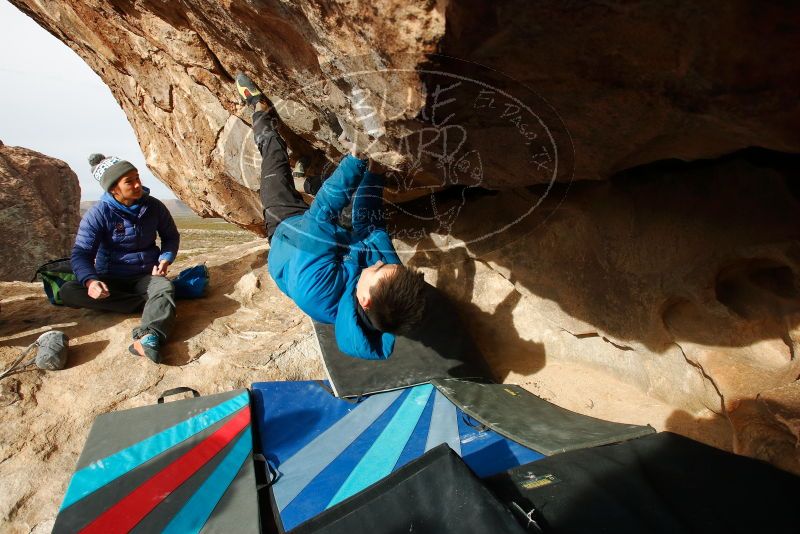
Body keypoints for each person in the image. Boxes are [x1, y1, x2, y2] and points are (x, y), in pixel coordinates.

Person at [236, 73, 426, 360]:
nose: (378, 261)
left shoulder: (316, 289)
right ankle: (309, 182)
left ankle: (258, 109)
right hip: (335, 241)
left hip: (288, 232)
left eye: (376, 269)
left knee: (275, 163)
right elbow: (370, 226)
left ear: (365, 300)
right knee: (356, 197)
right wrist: (375, 168)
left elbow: (321, 215)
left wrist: (358, 155)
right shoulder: (388, 282)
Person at [60, 154, 179, 363]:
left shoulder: (154, 207)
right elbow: (81, 254)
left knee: (163, 288)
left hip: (145, 276)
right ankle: (152, 304)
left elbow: (170, 236)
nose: (137, 184)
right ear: (114, 189)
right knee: (68, 291)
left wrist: (165, 259)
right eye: (129, 181)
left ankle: (148, 336)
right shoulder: (98, 213)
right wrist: (90, 281)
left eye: (137, 178)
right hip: (110, 279)